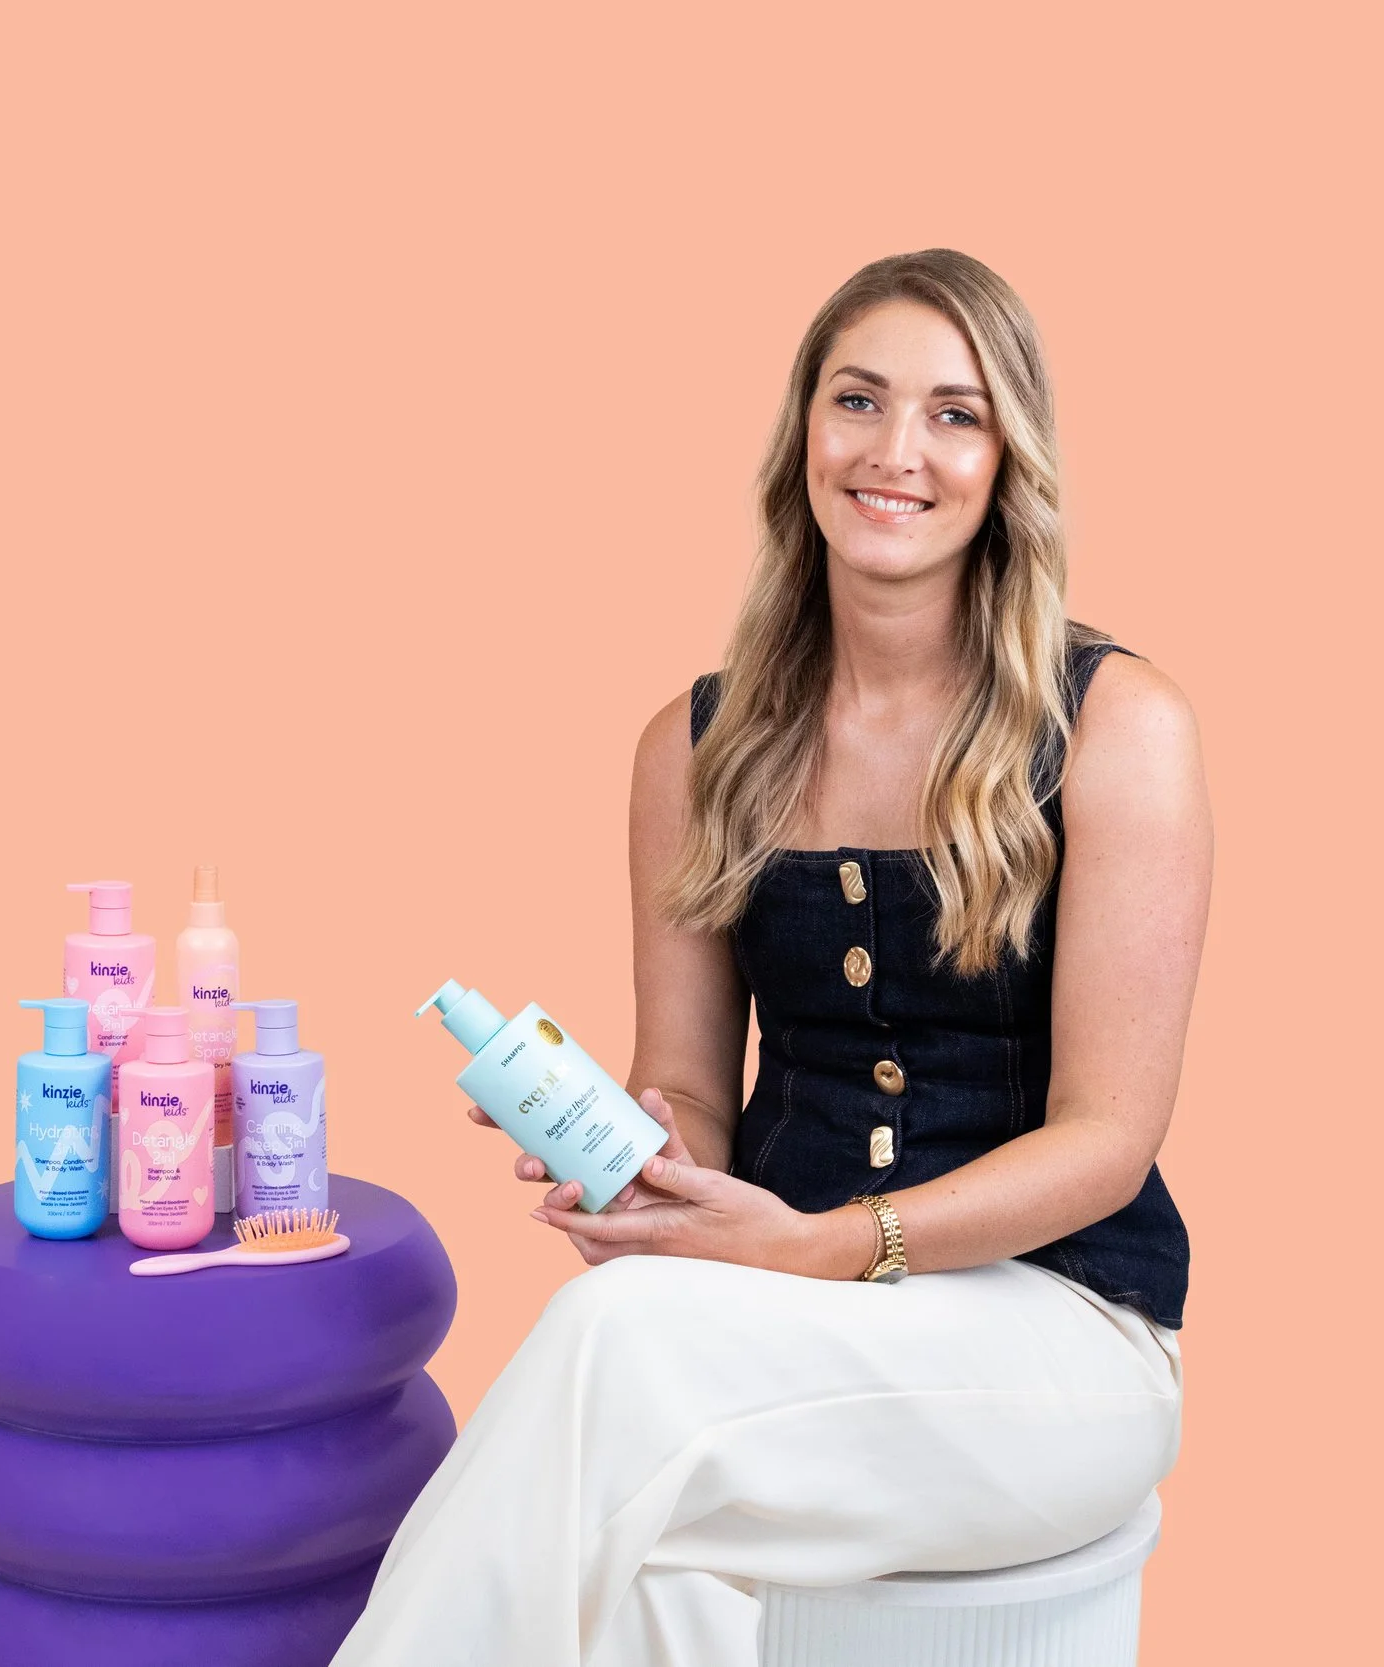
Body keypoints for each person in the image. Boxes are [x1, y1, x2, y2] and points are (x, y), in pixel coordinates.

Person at [331, 249, 1209, 1667]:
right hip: (777, 1327)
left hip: (1060, 1340)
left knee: (614, 1346)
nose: (895, 451)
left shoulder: (1117, 728)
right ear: (803, 431)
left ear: (1008, 463)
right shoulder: (696, 748)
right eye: (857, 399)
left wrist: (822, 1246)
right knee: (627, 1474)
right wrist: (615, 1138)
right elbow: (686, 1089)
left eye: (953, 414)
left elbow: (1108, 1139)